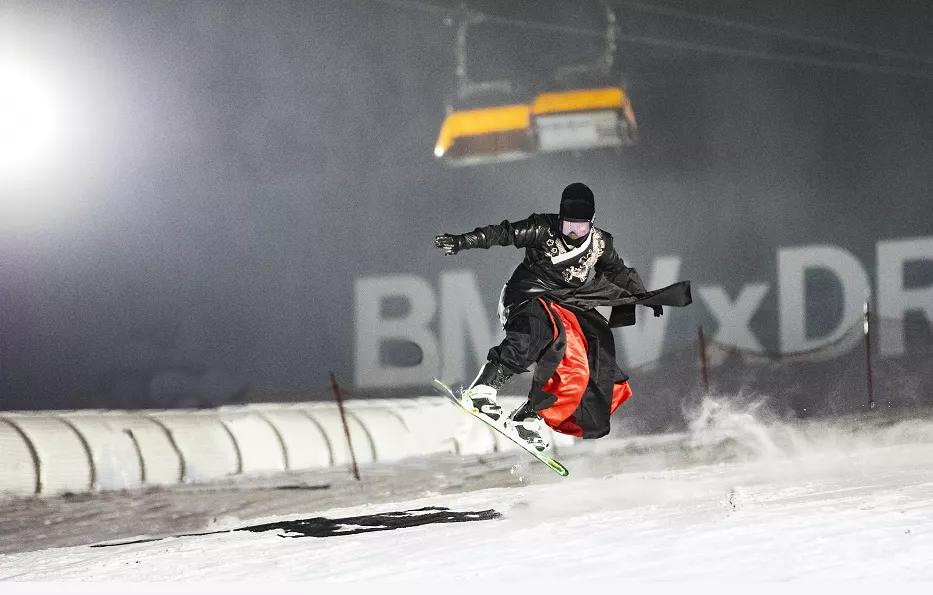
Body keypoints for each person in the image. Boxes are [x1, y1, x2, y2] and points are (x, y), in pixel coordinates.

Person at [433, 182, 691, 451]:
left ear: (592, 222)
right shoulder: (542, 228)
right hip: (525, 297)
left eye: (581, 227)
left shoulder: (601, 244)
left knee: (583, 360)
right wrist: (462, 242)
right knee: (535, 332)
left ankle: (528, 416)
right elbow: (503, 233)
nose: (574, 234)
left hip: (562, 306)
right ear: (560, 218)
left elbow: (619, 272)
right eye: (568, 226)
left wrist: (644, 296)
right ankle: (482, 390)